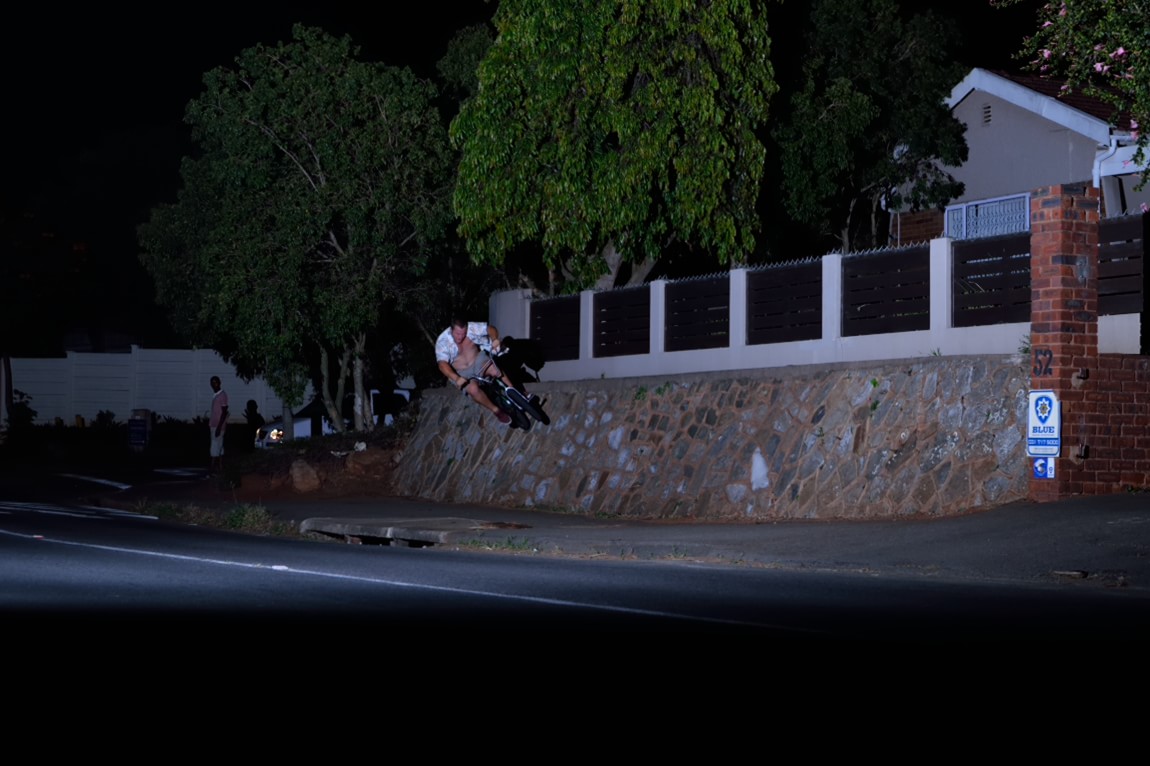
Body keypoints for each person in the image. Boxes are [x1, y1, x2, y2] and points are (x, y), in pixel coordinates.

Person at [435, 318, 525, 425]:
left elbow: (490, 329)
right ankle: (497, 411)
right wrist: (456, 378)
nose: (460, 337)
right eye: (457, 334)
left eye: (463, 334)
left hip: (478, 360)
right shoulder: (443, 342)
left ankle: (516, 393)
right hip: (461, 372)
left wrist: (494, 338)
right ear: (451, 330)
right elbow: (442, 365)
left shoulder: (471, 328)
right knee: (473, 390)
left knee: (495, 370)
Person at [208, 376, 229, 472]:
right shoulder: (216, 395)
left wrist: (219, 427)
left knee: (215, 446)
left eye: (215, 382)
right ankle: (220, 467)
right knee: (219, 446)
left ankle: (212, 468)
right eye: (212, 382)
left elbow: (224, 412)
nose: (213, 384)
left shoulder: (222, 395)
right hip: (214, 424)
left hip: (218, 425)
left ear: (219, 383)